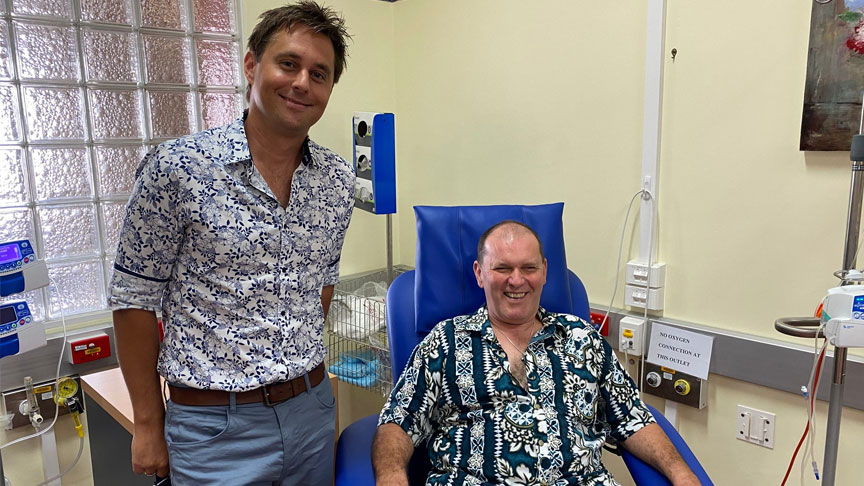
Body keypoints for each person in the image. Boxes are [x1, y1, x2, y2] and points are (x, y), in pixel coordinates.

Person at [108, 2, 353, 484]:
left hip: (312, 415)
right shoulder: (178, 169)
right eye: (288, 63)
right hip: (213, 428)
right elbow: (132, 300)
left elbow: (319, 288)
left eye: (319, 73)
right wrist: (147, 422)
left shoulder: (337, 182)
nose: (303, 82)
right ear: (250, 65)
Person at [372, 221, 701, 486]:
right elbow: (397, 423)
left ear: (544, 270)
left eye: (528, 267)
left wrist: (682, 474)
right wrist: (390, 475)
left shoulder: (581, 337)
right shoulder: (445, 342)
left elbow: (633, 419)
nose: (516, 280)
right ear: (479, 272)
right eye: (502, 268)